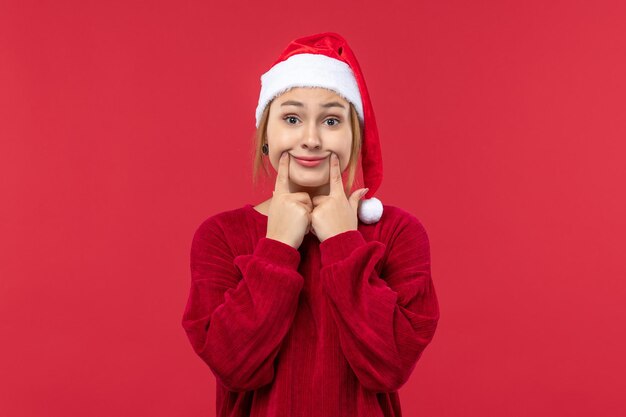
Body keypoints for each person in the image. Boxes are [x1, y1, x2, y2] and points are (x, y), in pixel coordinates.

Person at [181, 32, 440, 417]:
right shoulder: (220, 236)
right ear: (265, 134)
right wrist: (278, 246)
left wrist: (342, 241)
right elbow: (234, 366)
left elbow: (389, 366)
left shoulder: (397, 233)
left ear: (356, 136)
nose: (312, 139)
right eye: (291, 118)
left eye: (332, 120)